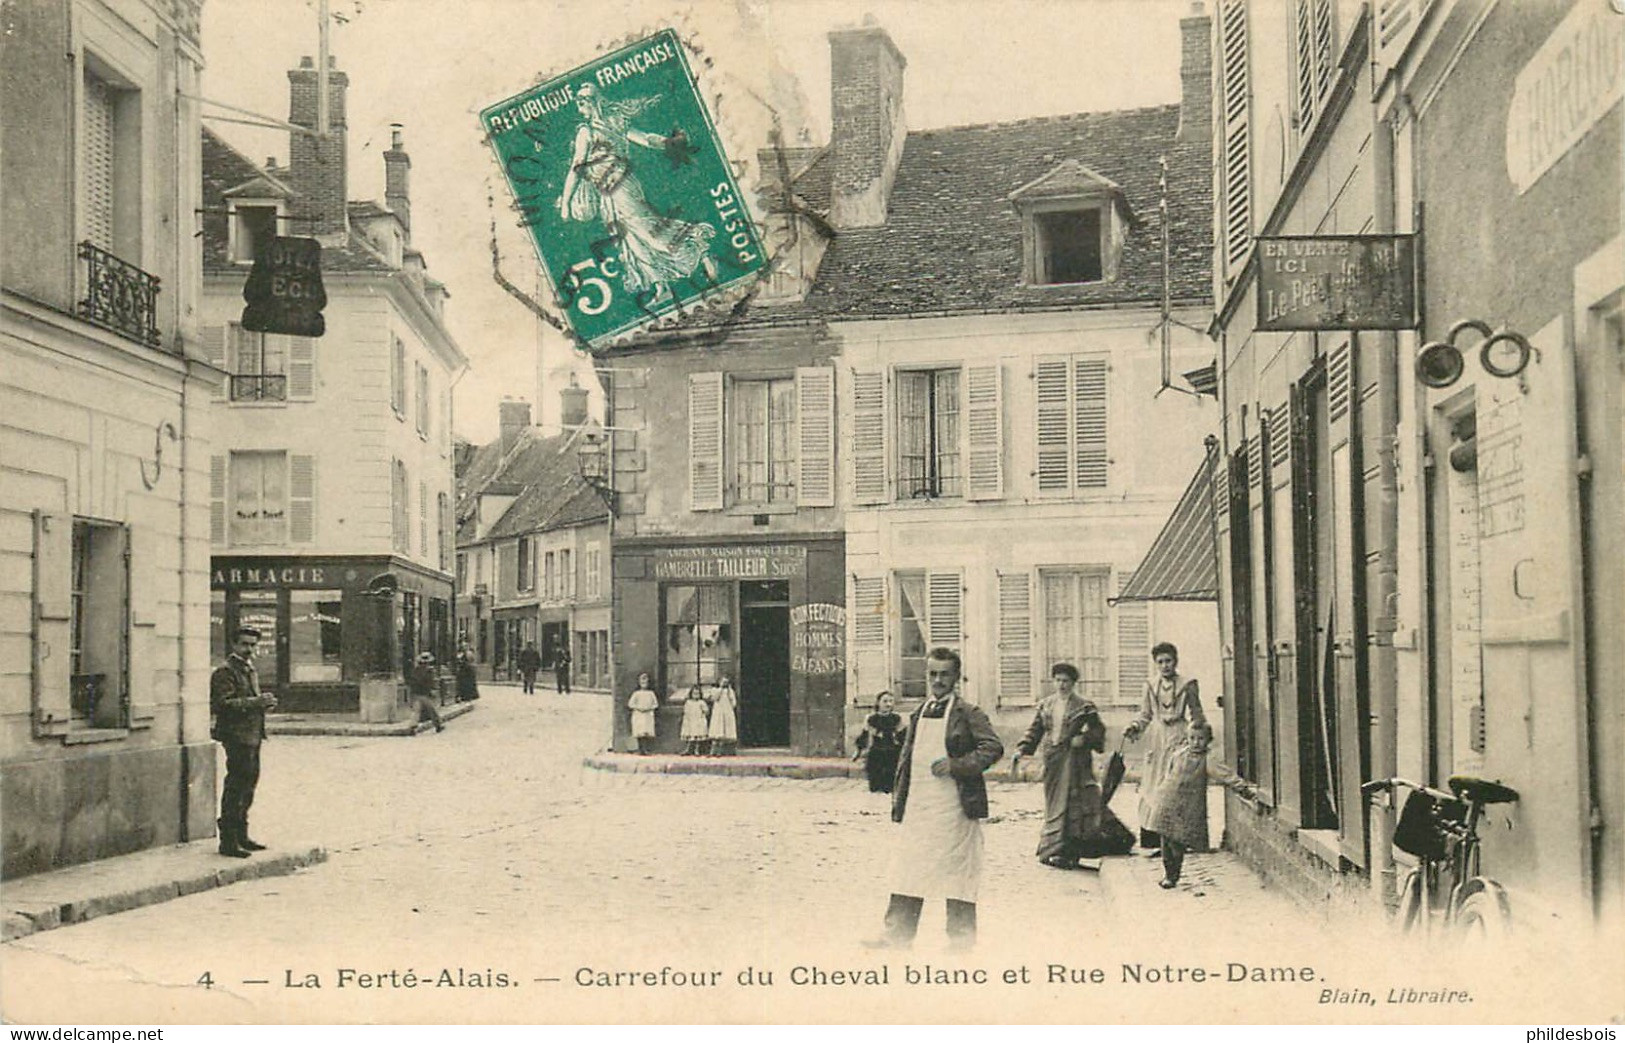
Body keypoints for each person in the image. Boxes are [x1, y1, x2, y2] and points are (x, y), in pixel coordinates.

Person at [866, 648, 1003, 951]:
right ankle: (897, 936)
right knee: (908, 868)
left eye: (944, 674)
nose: (938, 680)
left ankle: (961, 942)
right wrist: (899, 799)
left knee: (959, 873)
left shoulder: (968, 713)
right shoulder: (918, 713)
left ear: (956, 677)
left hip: (955, 807)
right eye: (933, 674)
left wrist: (956, 765)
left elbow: (992, 748)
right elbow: (907, 758)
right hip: (920, 805)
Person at [557, 84, 718, 306]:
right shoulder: (608, 123)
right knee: (630, 241)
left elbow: (577, 166)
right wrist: (669, 143)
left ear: (595, 101)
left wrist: (566, 203)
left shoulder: (589, 131)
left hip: (621, 188)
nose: (579, 105)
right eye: (578, 101)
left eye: (583, 100)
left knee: (648, 231)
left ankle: (696, 243)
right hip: (609, 195)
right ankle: (660, 286)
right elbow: (644, 139)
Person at [1012, 663, 1131, 870]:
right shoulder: (1046, 705)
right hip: (1053, 762)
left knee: (1076, 803)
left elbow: (1098, 731)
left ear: (1074, 683)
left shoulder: (1084, 706)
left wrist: (1084, 739)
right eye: (1058, 680)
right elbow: (1035, 730)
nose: (1062, 685)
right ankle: (1054, 848)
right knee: (1054, 805)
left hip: (1076, 761)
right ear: (1053, 681)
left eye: (1066, 681)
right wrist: (1022, 748)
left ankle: (1071, 851)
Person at [1124, 641, 1210, 888]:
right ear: (1156, 664)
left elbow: (1197, 713)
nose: (1165, 666)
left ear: (1176, 661)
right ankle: (1154, 839)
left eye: (1169, 661)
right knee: (1154, 789)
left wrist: (1199, 739)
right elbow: (1145, 715)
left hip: (1181, 737)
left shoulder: (1187, 685)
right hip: (1158, 739)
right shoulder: (1150, 686)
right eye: (1160, 662)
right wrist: (1135, 728)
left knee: (1177, 790)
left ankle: (1180, 836)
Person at [210, 626, 276, 858]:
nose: (249, 649)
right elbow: (222, 704)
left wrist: (262, 704)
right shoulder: (225, 672)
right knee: (235, 788)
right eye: (244, 644)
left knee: (248, 787)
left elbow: (246, 701)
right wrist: (257, 702)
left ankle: (241, 835)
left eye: (253, 645)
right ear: (234, 645)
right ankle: (228, 842)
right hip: (236, 736)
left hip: (252, 736)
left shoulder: (249, 670)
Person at [852, 691, 906, 794]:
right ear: (878, 703)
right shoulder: (871, 719)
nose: (888, 704)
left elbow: (902, 737)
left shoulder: (896, 718)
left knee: (891, 785)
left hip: (893, 754)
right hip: (876, 754)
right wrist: (858, 752)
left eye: (891, 701)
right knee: (875, 784)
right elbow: (864, 736)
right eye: (885, 701)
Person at [408, 651, 445, 733]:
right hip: (425, 693)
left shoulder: (416, 670)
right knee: (432, 710)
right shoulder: (429, 671)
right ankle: (438, 725)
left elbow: (412, 681)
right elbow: (430, 682)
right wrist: (432, 690)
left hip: (416, 693)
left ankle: (412, 726)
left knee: (416, 711)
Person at [628, 672, 659, 754]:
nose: (644, 684)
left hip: (648, 714)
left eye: (646, 683)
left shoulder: (651, 693)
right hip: (639, 714)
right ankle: (640, 748)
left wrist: (649, 708)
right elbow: (630, 704)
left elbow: (655, 704)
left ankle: (645, 749)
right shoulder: (636, 693)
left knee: (646, 731)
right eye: (642, 683)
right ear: (639, 683)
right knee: (639, 731)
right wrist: (638, 708)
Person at [707, 677, 738, 757]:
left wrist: (729, 692)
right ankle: (713, 751)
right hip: (718, 713)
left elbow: (733, 702)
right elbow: (715, 698)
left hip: (727, 712)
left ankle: (721, 751)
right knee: (717, 731)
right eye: (722, 682)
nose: (724, 684)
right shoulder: (715, 690)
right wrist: (720, 689)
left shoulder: (730, 691)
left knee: (725, 731)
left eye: (726, 682)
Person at [680, 684, 710, 756]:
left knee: (698, 735)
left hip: (698, 720)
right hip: (691, 720)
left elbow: (706, 711)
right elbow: (686, 711)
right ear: (691, 694)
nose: (696, 695)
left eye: (698, 694)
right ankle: (688, 749)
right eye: (694, 694)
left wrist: (704, 714)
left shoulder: (701, 702)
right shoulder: (688, 702)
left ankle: (697, 749)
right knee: (691, 735)